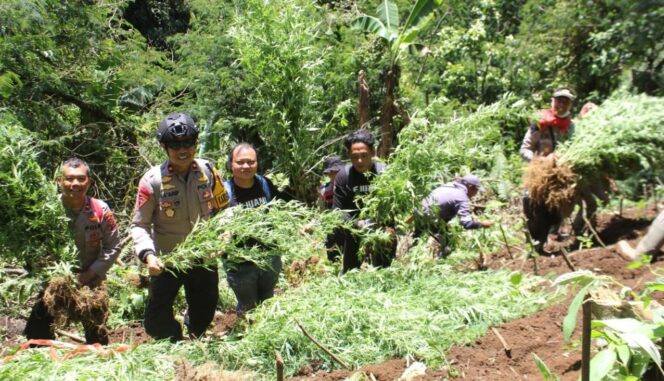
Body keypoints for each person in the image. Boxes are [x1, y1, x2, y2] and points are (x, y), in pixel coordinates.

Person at [131, 112, 229, 342]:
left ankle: (194, 339)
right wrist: (148, 255)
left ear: (195, 142)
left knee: (204, 313)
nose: (182, 149)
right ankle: (174, 340)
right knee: (155, 322)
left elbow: (224, 210)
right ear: (165, 147)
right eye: (175, 145)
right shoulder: (151, 181)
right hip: (167, 260)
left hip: (203, 257)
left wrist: (224, 233)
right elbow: (139, 225)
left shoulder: (208, 172)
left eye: (188, 143)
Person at [24, 158, 121, 345]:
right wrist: (48, 270)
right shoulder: (45, 210)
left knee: (98, 342)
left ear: (89, 182)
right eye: (69, 179)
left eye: (80, 179)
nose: (75, 184)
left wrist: (89, 275)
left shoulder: (100, 210)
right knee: (36, 338)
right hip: (54, 284)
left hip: (90, 284)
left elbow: (113, 246)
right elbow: (31, 248)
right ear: (59, 181)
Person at [222, 143, 284, 314]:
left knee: (267, 301)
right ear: (231, 165)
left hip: (269, 257)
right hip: (241, 264)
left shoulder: (264, 184)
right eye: (240, 162)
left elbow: (280, 209)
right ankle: (248, 333)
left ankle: (266, 335)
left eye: (251, 162)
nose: (246, 166)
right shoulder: (224, 192)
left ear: (257, 163)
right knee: (249, 306)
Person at [520, 87, 575, 255]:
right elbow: (524, 149)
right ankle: (534, 246)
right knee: (532, 206)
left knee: (555, 212)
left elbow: (574, 148)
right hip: (538, 176)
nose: (561, 104)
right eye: (559, 100)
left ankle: (545, 240)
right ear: (552, 101)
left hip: (560, 177)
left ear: (570, 104)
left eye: (565, 101)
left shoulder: (572, 127)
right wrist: (539, 160)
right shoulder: (540, 123)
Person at [333, 130, 392, 273]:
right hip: (354, 231)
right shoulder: (344, 176)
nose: (360, 161)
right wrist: (356, 224)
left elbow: (394, 206)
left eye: (364, 155)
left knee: (383, 273)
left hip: (381, 232)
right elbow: (337, 210)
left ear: (372, 152)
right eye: (355, 157)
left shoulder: (385, 174)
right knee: (350, 274)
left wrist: (379, 221)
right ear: (349, 156)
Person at [416, 175, 493, 257]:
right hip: (431, 217)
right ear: (471, 187)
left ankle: (408, 257)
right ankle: (439, 264)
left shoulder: (448, 186)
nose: (475, 194)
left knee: (416, 239)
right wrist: (482, 224)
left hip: (418, 213)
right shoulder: (461, 197)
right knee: (449, 244)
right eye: (476, 190)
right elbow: (466, 224)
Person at [319, 155, 345, 261]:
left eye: (336, 171)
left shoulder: (350, 186)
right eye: (331, 172)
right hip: (332, 230)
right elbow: (323, 212)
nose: (333, 175)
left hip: (349, 228)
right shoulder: (324, 191)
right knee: (333, 259)